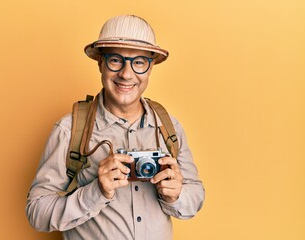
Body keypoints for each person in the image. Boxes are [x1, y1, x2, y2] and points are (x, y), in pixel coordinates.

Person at [26, 15, 205, 240]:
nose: (126, 74)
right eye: (115, 60)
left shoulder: (169, 127)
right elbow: (36, 213)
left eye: (139, 62)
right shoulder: (70, 129)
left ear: (150, 68)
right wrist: (97, 191)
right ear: (101, 63)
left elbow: (195, 196)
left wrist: (176, 196)